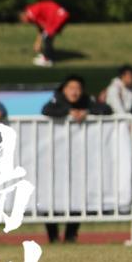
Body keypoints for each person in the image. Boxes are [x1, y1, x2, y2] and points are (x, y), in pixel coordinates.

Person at [40, 74, 111, 243]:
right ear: (63, 89)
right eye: (71, 88)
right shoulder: (55, 101)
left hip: (79, 160)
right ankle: (53, 235)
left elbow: (106, 109)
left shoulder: (87, 101)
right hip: (55, 160)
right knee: (51, 196)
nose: (75, 92)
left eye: (78, 88)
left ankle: (71, 234)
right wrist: (68, 112)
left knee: (77, 195)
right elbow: (46, 111)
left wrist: (87, 112)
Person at [20, 0, 69, 68]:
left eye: (22, 19)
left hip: (57, 16)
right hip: (60, 15)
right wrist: (38, 41)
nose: (23, 21)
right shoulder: (32, 11)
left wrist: (39, 41)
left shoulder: (30, 13)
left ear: (24, 14)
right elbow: (41, 28)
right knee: (47, 35)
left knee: (47, 35)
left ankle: (47, 60)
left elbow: (43, 27)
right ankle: (47, 56)